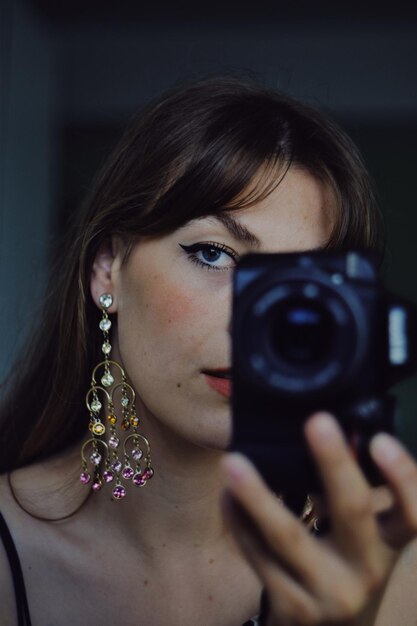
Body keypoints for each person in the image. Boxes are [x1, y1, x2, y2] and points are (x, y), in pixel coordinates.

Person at [1, 76, 417, 626]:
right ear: (109, 270)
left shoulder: (382, 554)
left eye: (294, 283)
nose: (258, 321)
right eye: (214, 255)